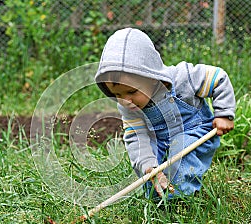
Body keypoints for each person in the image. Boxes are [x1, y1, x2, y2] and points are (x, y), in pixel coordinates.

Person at [95, 28, 236, 200]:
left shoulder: (183, 78)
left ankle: (180, 203)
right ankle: (157, 200)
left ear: (152, 77)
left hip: (195, 130)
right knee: (149, 172)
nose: (125, 101)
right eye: (117, 95)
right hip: (159, 138)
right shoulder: (128, 107)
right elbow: (137, 138)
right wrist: (149, 166)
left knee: (181, 160)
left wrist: (224, 114)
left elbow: (218, 78)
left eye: (132, 91)